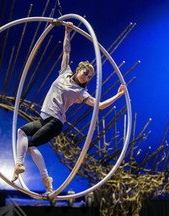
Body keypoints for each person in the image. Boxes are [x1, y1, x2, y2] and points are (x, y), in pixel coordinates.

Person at [11, 22, 126, 194]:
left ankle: (45, 178)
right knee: (21, 131)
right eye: (85, 73)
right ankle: (19, 164)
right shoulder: (65, 72)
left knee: (31, 144)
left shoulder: (81, 92)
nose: (86, 78)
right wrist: (67, 31)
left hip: (55, 122)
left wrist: (118, 96)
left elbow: (99, 106)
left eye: (89, 77)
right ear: (78, 69)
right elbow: (66, 51)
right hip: (43, 117)